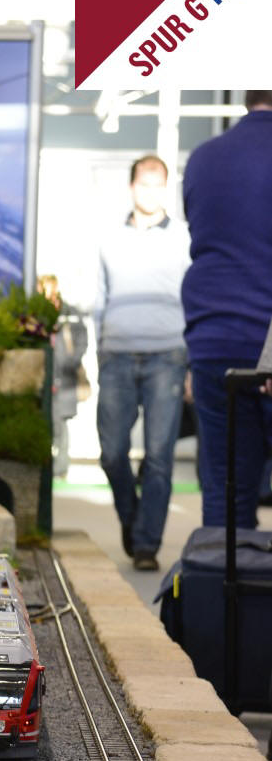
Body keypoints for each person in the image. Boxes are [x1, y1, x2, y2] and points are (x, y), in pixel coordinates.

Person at [94, 155, 190, 571]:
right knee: (112, 452)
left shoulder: (186, 238)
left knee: (158, 455)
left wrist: (191, 362)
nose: (150, 192)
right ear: (132, 186)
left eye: (158, 184)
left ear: (165, 188)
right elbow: (98, 298)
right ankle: (132, 520)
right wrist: (97, 350)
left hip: (168, 356)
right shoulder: (108, 237)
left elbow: (194, 299)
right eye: (144, 183)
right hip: (116, 354)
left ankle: (146, 545)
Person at [181, 91, 272, 530]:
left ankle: (226, 595)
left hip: (212, 337)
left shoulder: (203, 158)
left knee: (224, 484)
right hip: (267, 338)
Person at [40, 273, 89, 479]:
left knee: (61, 423)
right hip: (44, 377)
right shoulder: (37, 315)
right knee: (47, 423)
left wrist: (71, 361)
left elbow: (81, 342)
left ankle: (60, 468)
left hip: (65, 379)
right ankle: (47, 466)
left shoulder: (70, 314)